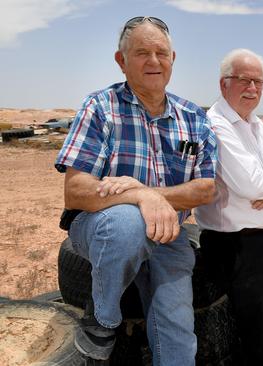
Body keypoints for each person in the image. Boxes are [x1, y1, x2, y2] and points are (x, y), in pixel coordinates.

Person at [54, 16, 217, 365]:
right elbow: (77, 191)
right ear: (121, 60)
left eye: (161, 52)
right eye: (142, 52)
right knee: (128, 223)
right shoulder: (100, 107)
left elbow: (205, 189)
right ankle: (103, 317)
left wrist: (148, 191)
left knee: (177, 325)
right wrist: (141, 198)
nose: (153, 61)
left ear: (174, 58)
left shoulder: (193, 117)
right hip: (103, 228)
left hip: (168, 233)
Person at [194, 48, 263, 365]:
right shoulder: (216, 126)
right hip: (235, 246)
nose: (253, 88)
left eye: (259, 82)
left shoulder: (257, 125)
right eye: (244, 80)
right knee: (260, 337)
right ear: (223, 84)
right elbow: (251, 185)